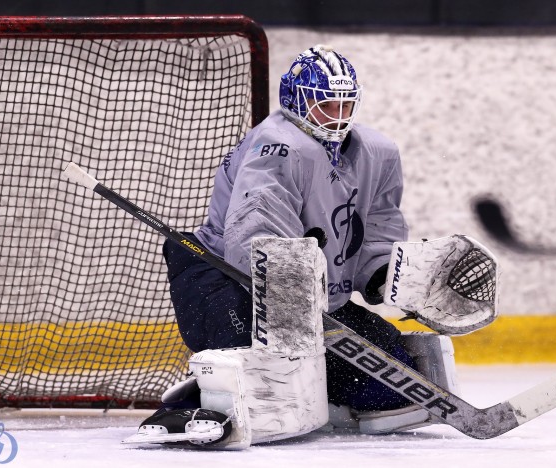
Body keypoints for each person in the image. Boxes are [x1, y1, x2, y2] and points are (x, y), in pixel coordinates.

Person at [129, 44, 473, 448]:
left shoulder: (378, 153)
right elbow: (255, 233)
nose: (338, 117)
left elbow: (378, 226)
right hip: (225, 278)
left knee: (388, 390)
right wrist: (293, 296)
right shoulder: (277, 145)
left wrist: (380, 274)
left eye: (345, 105)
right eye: (325, 106)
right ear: (296, 101)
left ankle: (314, 392)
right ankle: (196, 402)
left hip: (314, 296)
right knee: (263, 368)